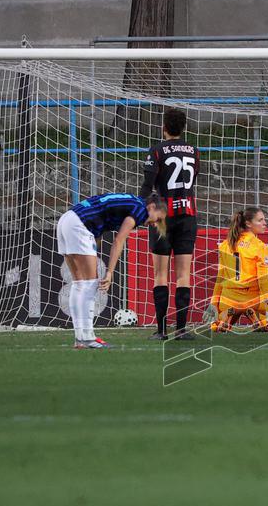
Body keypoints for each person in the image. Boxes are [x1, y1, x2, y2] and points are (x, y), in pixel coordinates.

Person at [56, 192, 167, 349]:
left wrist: (92, 250)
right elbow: (119, 240)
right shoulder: (141, 210)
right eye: (158, 219)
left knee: (79, 283)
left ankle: (80, 338)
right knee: (90, 283)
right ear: (152, 207)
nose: (155, 224)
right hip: (80, 224)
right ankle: (87, 337)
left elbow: (100, 226)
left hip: (66, 220)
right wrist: (109, 272)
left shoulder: (131, 201)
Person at [139, 108, 199, 341]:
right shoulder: (195, 151)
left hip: (163, 217)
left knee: (160, 275)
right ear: (183, 127)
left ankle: (162, 330)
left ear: (164, 127)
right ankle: (182, 329)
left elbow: (148, 185)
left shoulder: (156, 150)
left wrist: (139, 209)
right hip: (188, 214)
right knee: (184, 274)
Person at [209, 208, 268, 333]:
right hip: (251, 298)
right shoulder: (259, 246)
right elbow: (263, 280)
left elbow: (220, 277)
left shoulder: (225, 244)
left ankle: (225, 317)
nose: (265, 223)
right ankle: (255, 317)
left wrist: (214, 304)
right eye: (260, 220)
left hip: (228, 298)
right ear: (248, 224)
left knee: (215, 326)